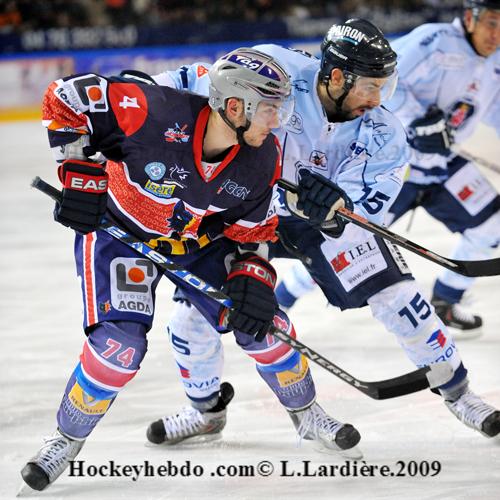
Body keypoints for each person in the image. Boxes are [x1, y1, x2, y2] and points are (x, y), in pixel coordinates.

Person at [20, 48, 363, 493]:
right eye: (269, 110)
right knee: (118, 347)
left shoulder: (260, 160)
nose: (276, 122)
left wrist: (252, 277)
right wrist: (79, 172)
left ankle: (308, 416)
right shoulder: (154, 110)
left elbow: (252, 231)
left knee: (267, 324)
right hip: (119, 234)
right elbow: (65, 96)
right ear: (235, 105)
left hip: (196, 242)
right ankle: (65, 440)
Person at [151, 18, 500, 448]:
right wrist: (133, 97)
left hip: (316, 223)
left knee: (400, 298)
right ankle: (205, 411)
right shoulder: (276, 68)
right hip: (245, 211)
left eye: (384, 86)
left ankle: (459, 393)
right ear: (336, 76)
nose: (378, 99)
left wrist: (337, 209)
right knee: (190, 315)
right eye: (370, 86)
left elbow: (364, 207)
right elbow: (194, 81)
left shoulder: (385, 134)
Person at [278, 0, 500, 339]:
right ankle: (280, 301)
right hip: (394, 168)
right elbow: (381, 83)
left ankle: (446, 300)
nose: (496, 35)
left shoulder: (494, 63)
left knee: (492, 226)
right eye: (492, 23)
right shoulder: (435, 40)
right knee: (339, 241)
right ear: (470, 18)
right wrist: (418, 124)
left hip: (443, 167)